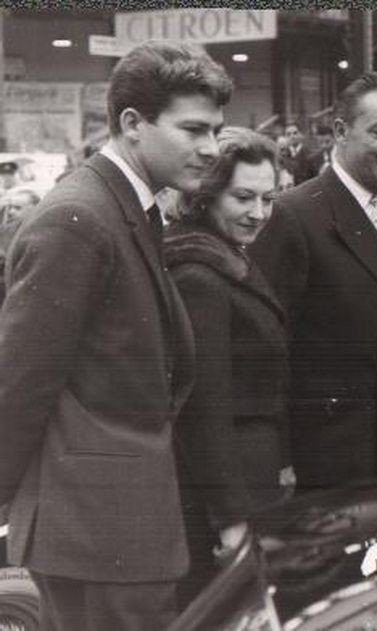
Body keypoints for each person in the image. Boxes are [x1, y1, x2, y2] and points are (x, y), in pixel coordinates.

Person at [0, 40, 231, 629]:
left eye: (216, 131)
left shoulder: (125, 208)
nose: (211, 149)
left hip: (115, 528)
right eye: (194, 130)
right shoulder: (76, 219)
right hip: (95, 536)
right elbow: (19, 385)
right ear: (132, 123)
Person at [250, 72, 377, 491]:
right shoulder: (293, 216)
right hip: (326, 463)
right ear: (340, 132)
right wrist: (281, 460)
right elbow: (264, 351)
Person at [163, 127, 292, 606]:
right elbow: (203, 410)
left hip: (244, 479)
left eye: (268, 198)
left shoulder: (220, 257)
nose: (259, 213)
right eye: (243, 197)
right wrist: (232, 520)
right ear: (205, 195)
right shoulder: (199, 273)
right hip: (225, 494)